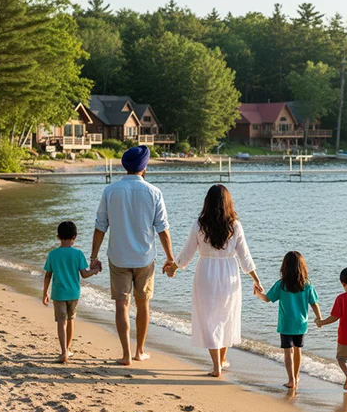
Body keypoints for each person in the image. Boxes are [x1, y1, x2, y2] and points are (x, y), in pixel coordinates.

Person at [166, 184, 263, 377]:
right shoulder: (234, 225)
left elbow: (187, 253)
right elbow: (245, 256)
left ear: (207, 202)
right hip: (229, 273)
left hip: (206, 273)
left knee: (209, 319)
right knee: (226, 317)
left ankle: (217, 365)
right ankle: (222, 359)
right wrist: (256, 279)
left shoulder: (199, 224)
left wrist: (173, 268)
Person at [91, 145, 176, 366]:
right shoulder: (154, 192)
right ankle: (140, 351)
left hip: (118, 256)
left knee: (121, 304)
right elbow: (162, 228)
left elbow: (101, 226)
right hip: (144, 258)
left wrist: (93, 256)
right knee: (143, 304)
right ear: (144, 166)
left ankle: (126, 354)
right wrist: (170, 257)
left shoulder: (110, 191)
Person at [255, 251, 322, 389]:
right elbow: (314, 303)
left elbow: (267, 299)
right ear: (302, 267)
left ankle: (291, 379)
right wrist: (319, 318)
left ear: (284, 267)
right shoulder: (307, 285)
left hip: (286, 324)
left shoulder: (281, 284)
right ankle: (296, 378)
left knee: (288, 351)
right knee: (298, 350)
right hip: (301, 324)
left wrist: (257, 293)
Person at [43, 221, 101, 363]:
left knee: (61, 322)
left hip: (58, 294)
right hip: (74, 294)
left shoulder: (53, 254)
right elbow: (84, 274)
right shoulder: (78, 254)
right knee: (70, 321)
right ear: (74, 237)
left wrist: (45, 292)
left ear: (58, 237)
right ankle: (68, 349)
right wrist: (95, 270)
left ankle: (63, 352)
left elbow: (48, 275)